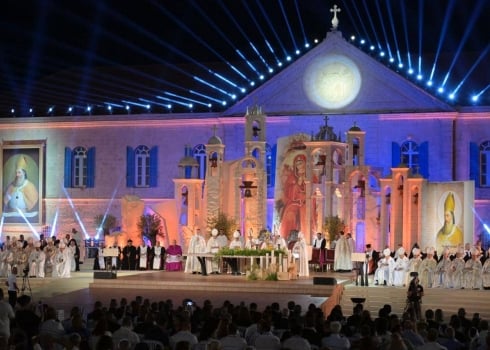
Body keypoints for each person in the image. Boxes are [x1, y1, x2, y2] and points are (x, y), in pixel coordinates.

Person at [279, 153, 307, 238]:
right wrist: (297, 184)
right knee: (289, 214)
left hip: (306, 202)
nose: (299, 166)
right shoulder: (292, 177)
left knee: (305, 213)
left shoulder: (310, 175)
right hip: (294, 202)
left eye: (301, 163)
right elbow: (288, 190)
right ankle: (287, 236)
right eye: (297, 164)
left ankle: (305, 236)